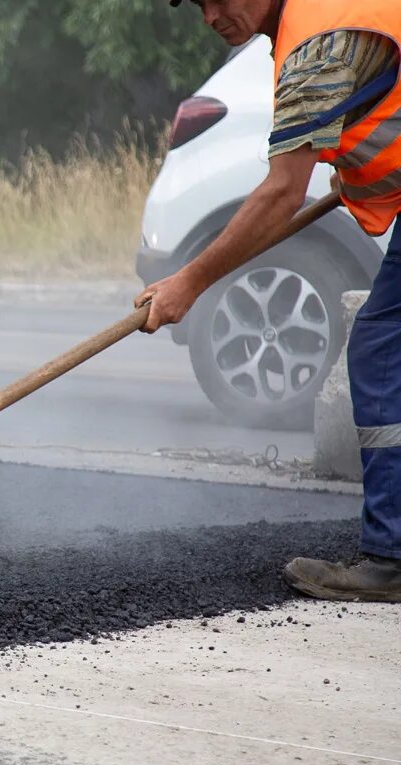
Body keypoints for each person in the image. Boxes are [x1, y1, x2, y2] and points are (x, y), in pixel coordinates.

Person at [140, 0, 401, 601]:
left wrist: (189, 282)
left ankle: (391, 556)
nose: (209, 15)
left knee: (383, 345)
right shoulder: (323, 19)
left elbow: (281, 191)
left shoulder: (317, 46)